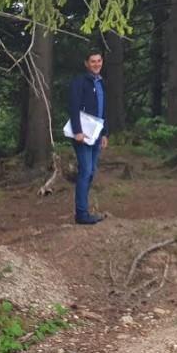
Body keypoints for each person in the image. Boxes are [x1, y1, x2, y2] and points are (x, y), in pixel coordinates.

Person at [68, 51, 110, 225]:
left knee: (91, 171)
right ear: (86, 63)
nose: (96, 64)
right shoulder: (79, 82)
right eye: (93, 61)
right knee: (85, 171)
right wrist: (77, 131)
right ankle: (81, 214)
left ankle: (84, 209)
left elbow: (104, 110)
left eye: (99, 61)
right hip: (82, 135)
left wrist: (105, 133)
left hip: (96, 134)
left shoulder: (101, 83)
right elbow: (73, 107)